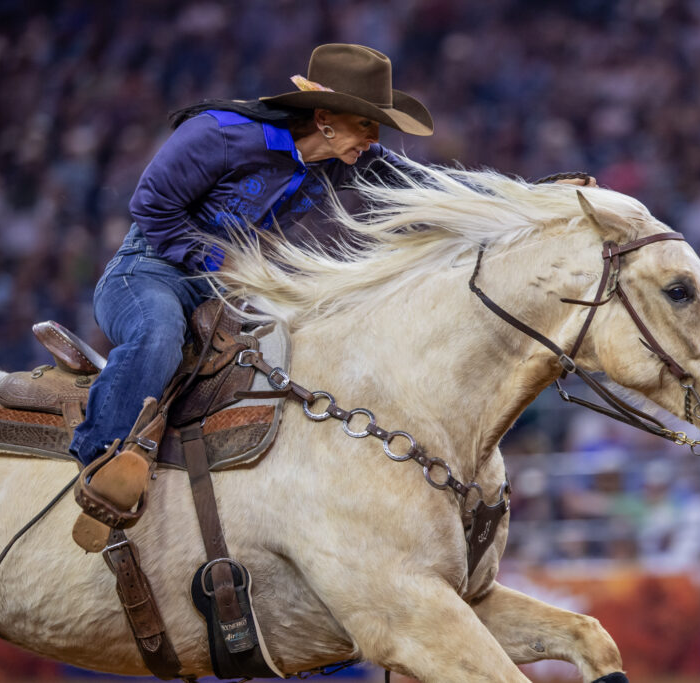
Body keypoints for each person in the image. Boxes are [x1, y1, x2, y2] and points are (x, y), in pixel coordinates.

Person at [69, 44, 433, 502]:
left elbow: (427, 184)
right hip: (148, 271)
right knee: (158, 333)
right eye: (365, 123)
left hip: (230, 295)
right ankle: (101, 458)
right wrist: (221, 263)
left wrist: (512, 201)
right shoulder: (220, 133)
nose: (374, 138)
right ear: (324, 117)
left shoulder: (347, 160)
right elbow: (151, 206)